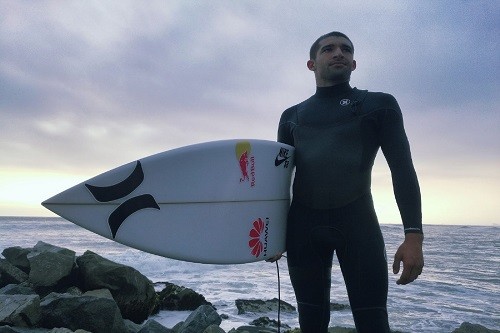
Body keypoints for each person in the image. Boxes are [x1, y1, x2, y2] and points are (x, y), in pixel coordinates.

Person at [267, 31, 424, 333]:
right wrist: (273, 233)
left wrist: (413, 236)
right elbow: (279, 181)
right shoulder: (291, 117)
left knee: (373, 323)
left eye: (346, 49)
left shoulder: (379, 105)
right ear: (311, 64)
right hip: (303, 231)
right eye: (328, 49)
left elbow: (402, 169)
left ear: (354, 64)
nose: (338, 53)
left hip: (358, 225)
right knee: (310, 323)